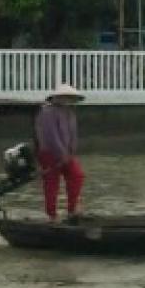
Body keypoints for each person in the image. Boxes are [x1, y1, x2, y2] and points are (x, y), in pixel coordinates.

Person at [35, 84, 86, 223]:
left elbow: (73, 135)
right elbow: (51, 136)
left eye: (70, 98)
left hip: (67, 154)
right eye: (66, 97)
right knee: (52, 183)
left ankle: (72, 209)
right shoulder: (47, 112)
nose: (68, 100)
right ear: (57, 97)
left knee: (77, 176)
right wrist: (61, 154)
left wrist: (71, 152)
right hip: (49, 153)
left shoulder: (70, 113)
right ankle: (52, 215)